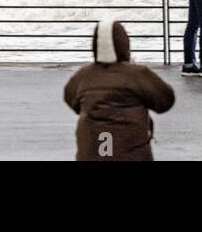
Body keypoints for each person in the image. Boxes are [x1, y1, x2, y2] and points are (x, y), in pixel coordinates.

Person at [63, 19, 175, 161]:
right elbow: (165, 101)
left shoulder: (84, 76)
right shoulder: (137, 74)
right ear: (124, 45)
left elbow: (70, 98)